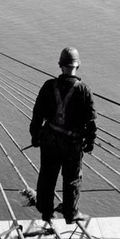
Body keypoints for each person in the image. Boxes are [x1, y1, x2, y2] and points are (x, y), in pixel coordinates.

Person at [29, 47, 97, 224]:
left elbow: (37, 114)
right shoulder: (84, 90)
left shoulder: (48, 86)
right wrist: (90, 142)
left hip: (50, 140)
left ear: (60, 66)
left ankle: (47, 213)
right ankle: (70, 214)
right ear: (78, 66)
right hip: (72, 144)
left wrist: (35, 136)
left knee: (47, 176)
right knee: (72, 179)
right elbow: (90, 122)